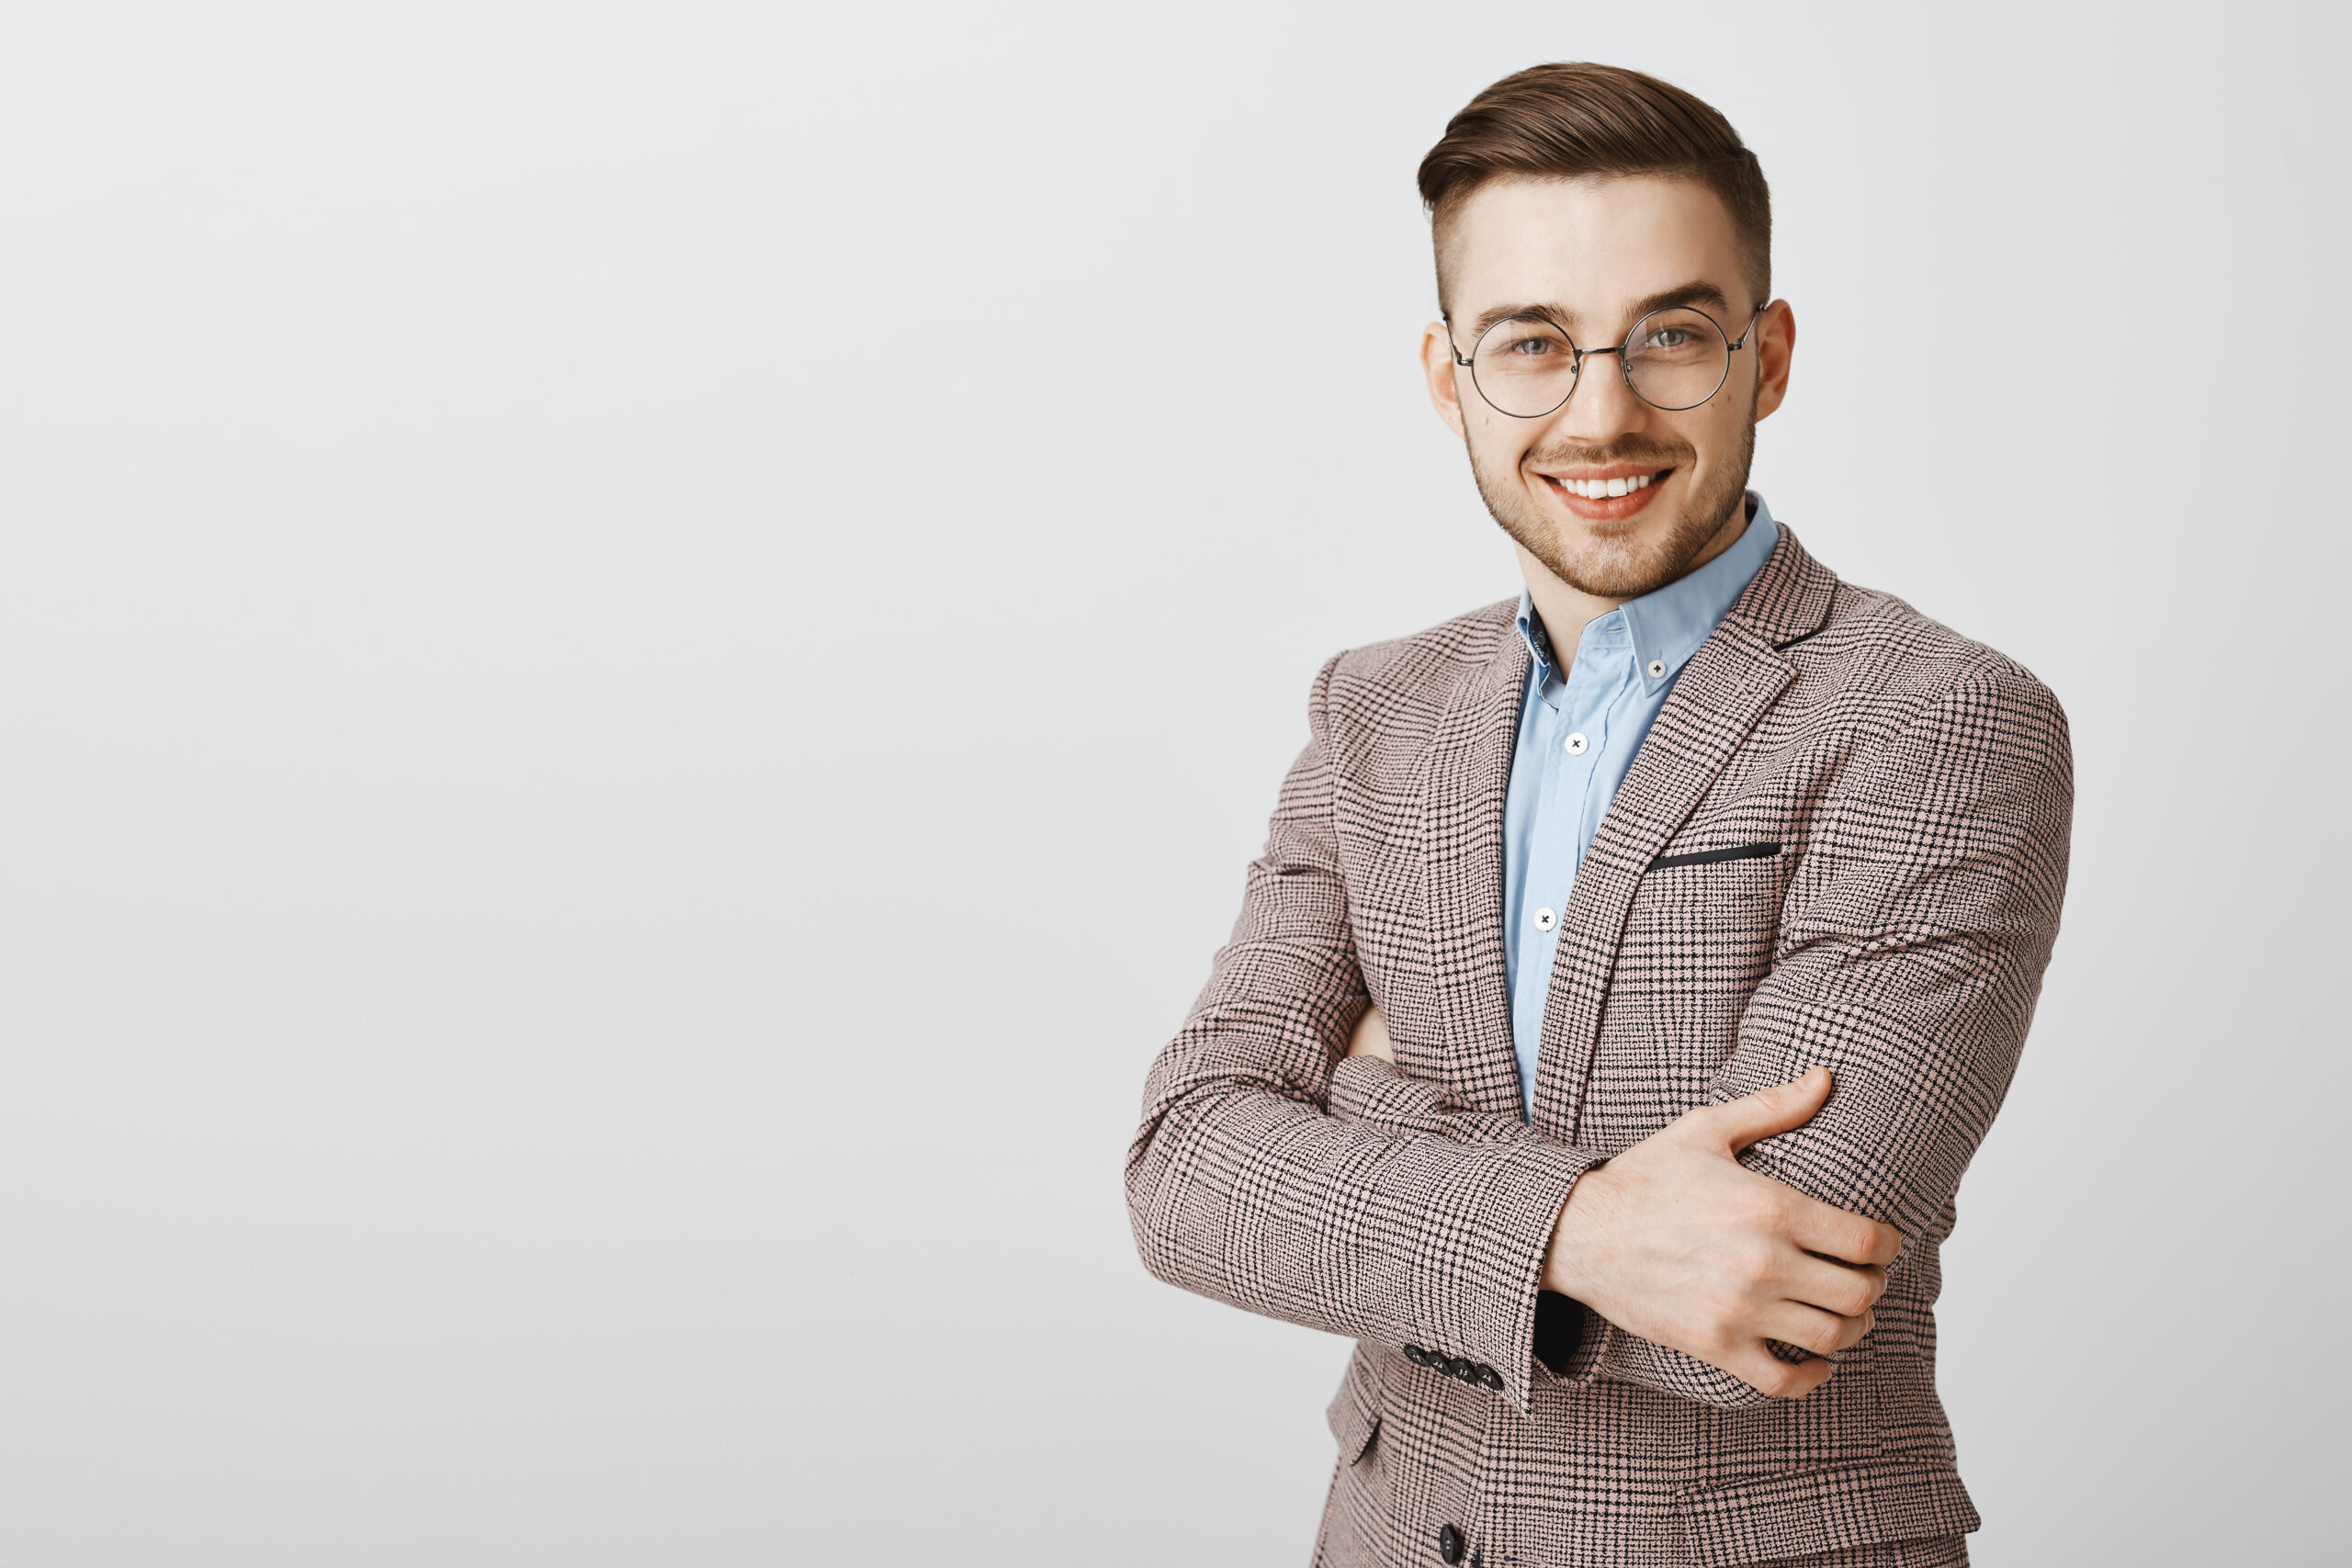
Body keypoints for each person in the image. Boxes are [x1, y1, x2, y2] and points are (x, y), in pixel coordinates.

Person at [1125, 62, 2074, 1568]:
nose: (1603, 411)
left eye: (1672, 337)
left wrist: (1353, 1113)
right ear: (1451, 379)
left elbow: (1755, 1295)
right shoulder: (1373, 711)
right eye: (1534, 346)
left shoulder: (1940, 721)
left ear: (1767, 357)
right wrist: (1592, 1229)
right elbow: (1183, 1176)